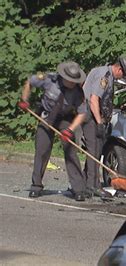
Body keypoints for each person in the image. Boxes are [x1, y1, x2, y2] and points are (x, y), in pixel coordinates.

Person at [18, 61, 88, 201]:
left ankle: (78, 189)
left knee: (70, 150)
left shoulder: (78, 92)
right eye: (71, 80)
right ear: (64, 77)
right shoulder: (48, 80)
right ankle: (36, 186)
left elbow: (82, 114)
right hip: (47, 116)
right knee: (42, 149)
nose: (73, 83)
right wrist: (25, 100)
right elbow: (29, 82)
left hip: (65, 119)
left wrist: (69, 130)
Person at [82, 56, 126, 198]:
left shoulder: (107, 74)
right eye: (123, 74)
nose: (122, 77)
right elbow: (94, 100)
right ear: (119, 69)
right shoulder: (104, 76)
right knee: (94, 151)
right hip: (90, 115)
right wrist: (99, 122)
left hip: (94, 115)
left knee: (97, 150)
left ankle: (84, 182)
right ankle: (93, 186)